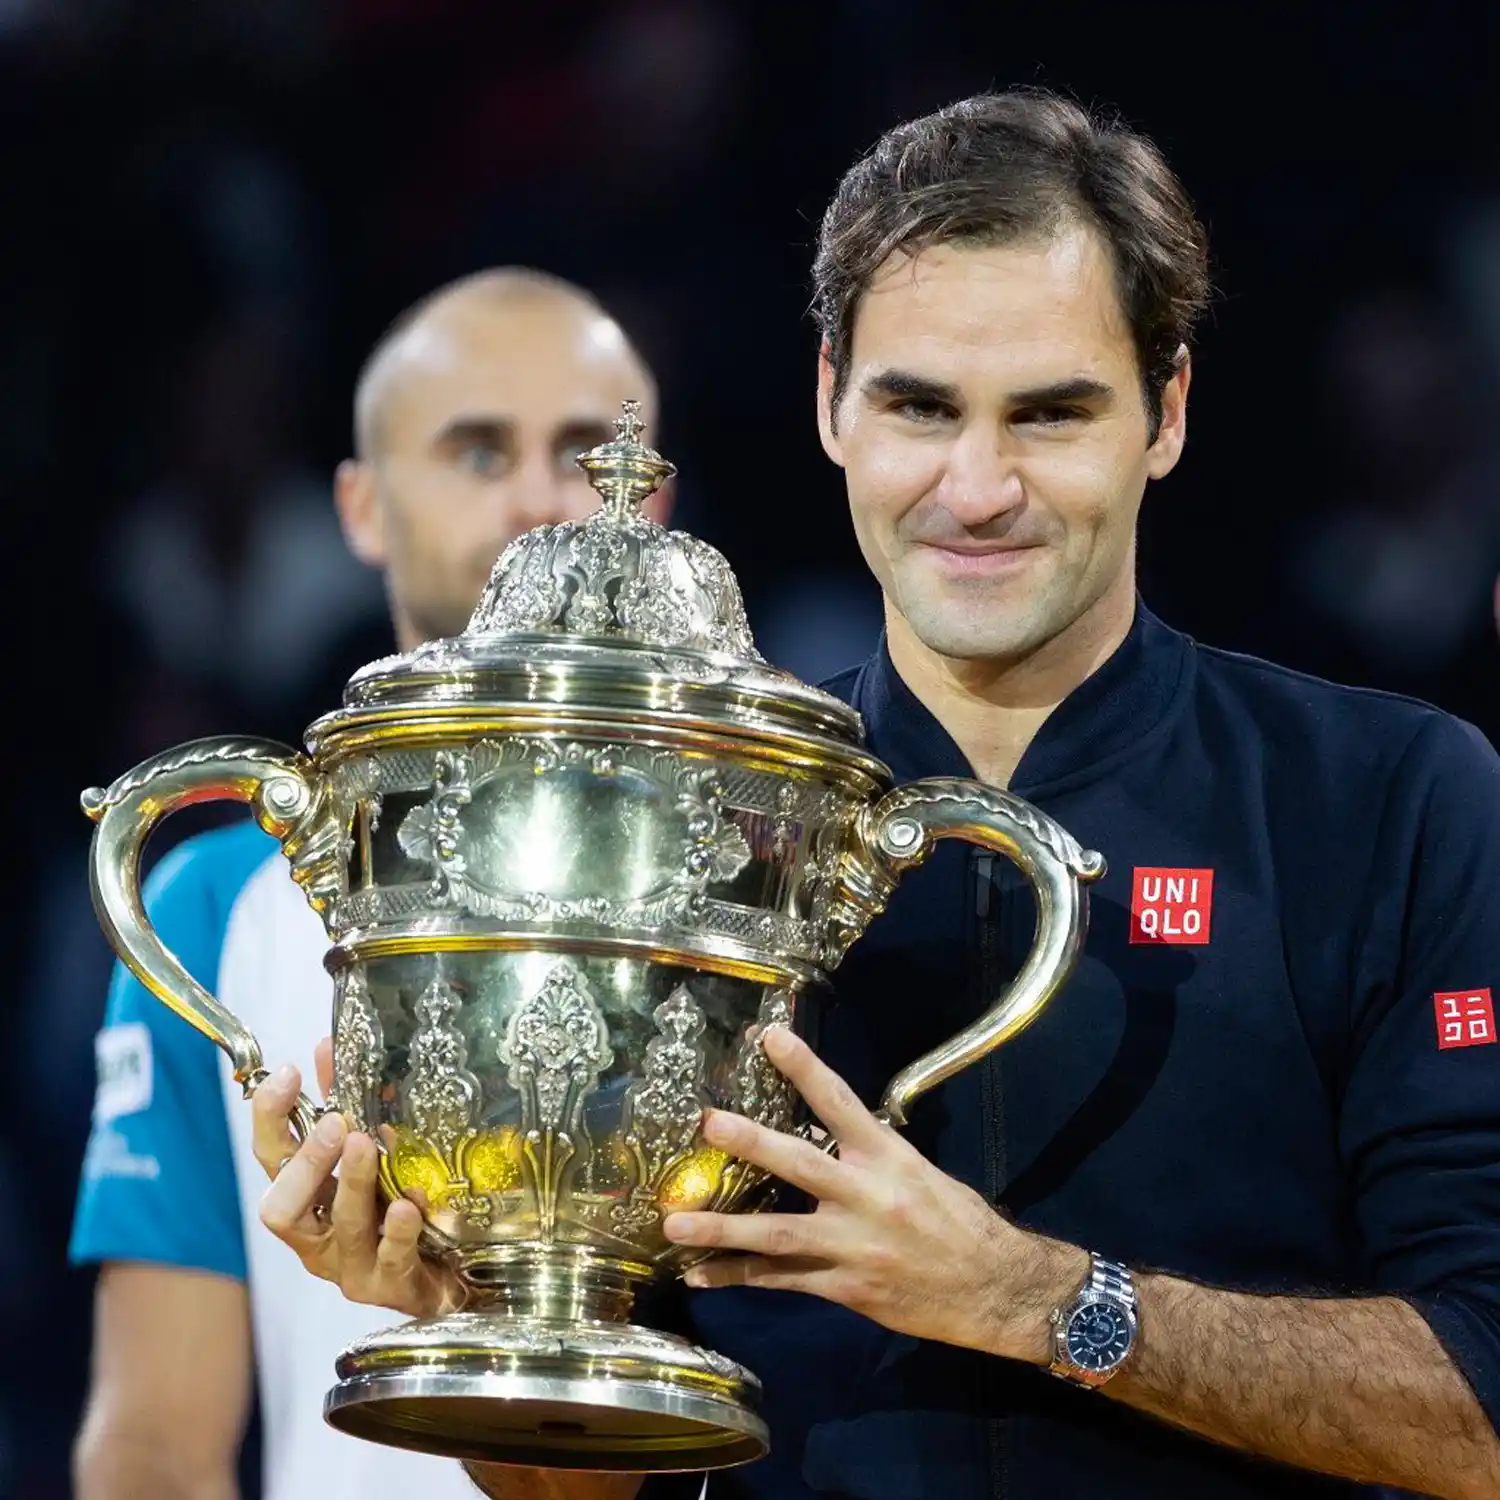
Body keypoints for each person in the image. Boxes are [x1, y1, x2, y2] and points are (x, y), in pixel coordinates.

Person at [252, 90, 1500, 1500]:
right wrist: (473, 1318)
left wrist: (1038, 1301)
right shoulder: (690, 807)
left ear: (1169, 414)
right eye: (919, 407)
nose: (977, 488)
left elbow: (1484, 1404)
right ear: (831, 402)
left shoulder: (1393, 801)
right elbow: (589, 1484)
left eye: (1050, 414)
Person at [69, 267, 667, 1500]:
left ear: (655, 501)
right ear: (361, 506)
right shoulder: (215, 904)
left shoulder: (785, 889)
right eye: (478, 451)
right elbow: (155, 1441)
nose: (542, 503)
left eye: (585, 451)